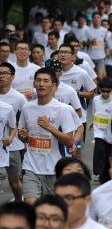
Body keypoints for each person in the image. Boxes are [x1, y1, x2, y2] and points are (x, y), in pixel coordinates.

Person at [17, 68, 77, 204]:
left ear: (54, 86)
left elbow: (69, 141)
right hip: (31, 167)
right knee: (31, 210)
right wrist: (23, 136)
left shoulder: (63, 109)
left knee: (54, 211)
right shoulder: (27, 108)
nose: (41, 84)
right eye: (38, 80)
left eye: (45, 81)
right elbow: (24, 139)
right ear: (34, 84)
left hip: (55, 169)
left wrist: (50, 127)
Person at [0, 62, 29, 202]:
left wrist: (22, 136)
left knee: (15, 182)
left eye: (4, 73)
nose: (1, 76)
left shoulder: (19, 98)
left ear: (12, 77)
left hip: (13, 146)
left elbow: (27, 120)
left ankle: (19, 202)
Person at [88, 77, 112, 183]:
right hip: (99, 130)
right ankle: (97, 172)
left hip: (110, 132)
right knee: (98, 148)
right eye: (103, 91)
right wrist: (93, 123)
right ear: (100, 89)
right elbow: (94, 112)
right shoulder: (96, 100)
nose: (105, 93)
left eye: (108, 91)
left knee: (108, 154)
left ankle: (105, 175)